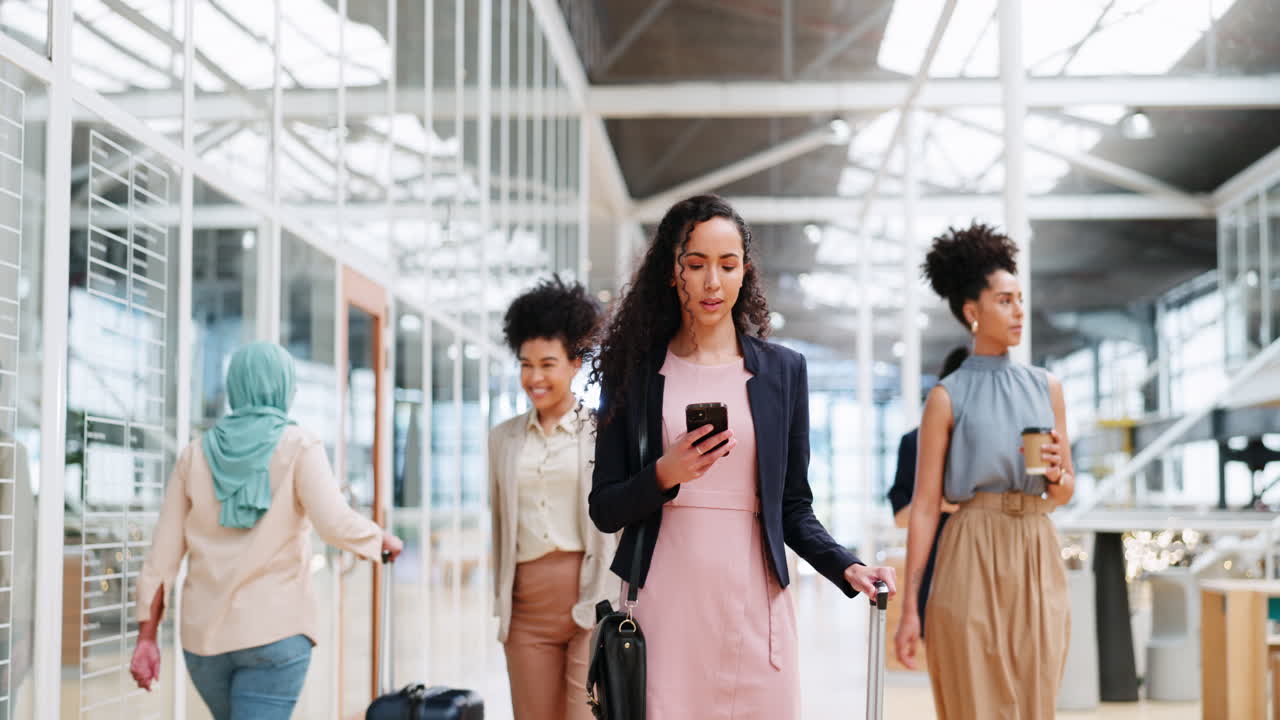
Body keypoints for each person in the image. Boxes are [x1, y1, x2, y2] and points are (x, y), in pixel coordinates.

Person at [588, 194, 897, 719]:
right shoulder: (634, 374)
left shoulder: (783, 372)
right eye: (696, 264)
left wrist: (848, 566)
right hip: (666, 599)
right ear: (672, 273)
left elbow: (793, 508)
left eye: (727, 266)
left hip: (757, 599)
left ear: (744, 272)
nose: (713, 282)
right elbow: (604, 508)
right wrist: (665, 473)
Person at [129, 342, 403, 719]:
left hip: (205, 641)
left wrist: (147, 636)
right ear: (284, 387)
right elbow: (334, 522)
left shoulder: (195, 453)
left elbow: (162, 556)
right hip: (276, 633)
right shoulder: (299, 444)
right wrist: (380, 540)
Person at [894, 223, 1074, 719]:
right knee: (975, 701)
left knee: (1036, 701)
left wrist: (1059, 477)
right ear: (973, 312)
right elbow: (926, 507)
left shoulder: (1047, 387)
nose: (1018, 311)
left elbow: (1063, 493)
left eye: (1019, 299)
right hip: (969, 550)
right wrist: (911, 607)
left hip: (1037, 547)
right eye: (1004, 300)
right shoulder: (947, 397)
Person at [489, 276, 618, 720]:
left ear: (576, 363)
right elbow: (500, 526)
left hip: (590, 599)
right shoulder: (502, 440)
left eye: (547, 364)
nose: (535, 377)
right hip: (525, 611)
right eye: (526, 365)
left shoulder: (601, 433)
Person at [886, 346, 968, 634]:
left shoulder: (992, 442)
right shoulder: (914, 442)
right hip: (936, 566)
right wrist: (941, 503)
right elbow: (901, 515)